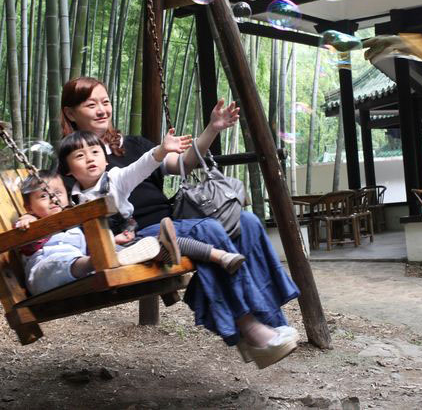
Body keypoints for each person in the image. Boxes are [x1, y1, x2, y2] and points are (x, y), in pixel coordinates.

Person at [60, 76, 300, 369]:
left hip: (174, 218)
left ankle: (271, 326)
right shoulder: (72, 159)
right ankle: (249, 326)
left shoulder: (133, 145)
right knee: (208, 230)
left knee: (246, 221)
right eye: (90, 104)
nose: (101, 110)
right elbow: (57, 205)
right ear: (71, 113)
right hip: (136, 234)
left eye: (105, 102)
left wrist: (212, 128)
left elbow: (184, 163)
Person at [57, 129, 247, 273]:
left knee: (166, 242)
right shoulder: (72, 201)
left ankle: (220, 256)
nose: (90, 158)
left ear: (106, 160)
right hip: (111, 248)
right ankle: (156, 250)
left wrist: (162, 150)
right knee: (157, 244)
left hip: (134, 235)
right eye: (80, 156)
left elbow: (141, 167)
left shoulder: (116, 179)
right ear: (67, 170)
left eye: (95, 152)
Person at [18, 171, 167, 295]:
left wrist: (113, 241)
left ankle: (154, 252)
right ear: (29, 207)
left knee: (106, 251)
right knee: (58, 263)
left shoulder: (74, 223)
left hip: (81, 269)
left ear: (67, 196)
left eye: (57, 193)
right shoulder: (32, 223)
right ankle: (99, 260)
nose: (52, 199)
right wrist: (28, 220)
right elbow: (27, 245)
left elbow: (88, 247)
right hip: (42, 275)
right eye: (43, 196)